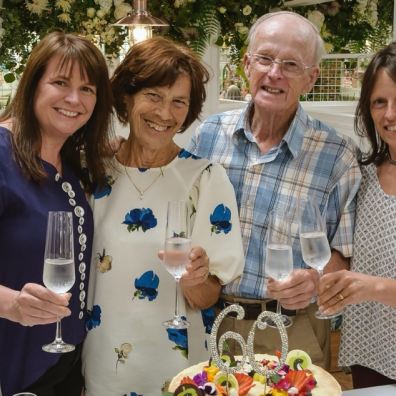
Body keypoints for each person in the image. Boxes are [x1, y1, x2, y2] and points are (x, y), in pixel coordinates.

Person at [188, 11, 361, 369]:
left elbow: (344, 252)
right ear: (247, 64)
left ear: (311, 79)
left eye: (291, 64)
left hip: (293, 331)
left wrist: (315, 280)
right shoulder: (208, 136)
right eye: (265, 59)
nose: (274, 73)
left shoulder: (337, 155)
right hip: (208, 323)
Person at [81, 37, 244, 395]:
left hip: (176, 365)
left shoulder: (205, 179)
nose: (164, 114)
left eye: (179, 102)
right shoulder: (93, 171)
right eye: (153, 96)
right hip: (104, 362)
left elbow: (206, 298)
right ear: (126, 96)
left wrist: (195, 278)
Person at [0, 32, 113, 396]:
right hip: (12, 366)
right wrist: (11, 304)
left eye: (87, 89)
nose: (73, 99)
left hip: (65, 367)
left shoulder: (71, 165)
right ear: (33, 85)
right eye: (60, 83)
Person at [318, 42, 396, 388]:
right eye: (380, 102)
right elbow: (348, 257)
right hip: (369, 354)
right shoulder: (360, 176)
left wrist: (374, 287)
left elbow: (370, 281)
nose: (390, 114)